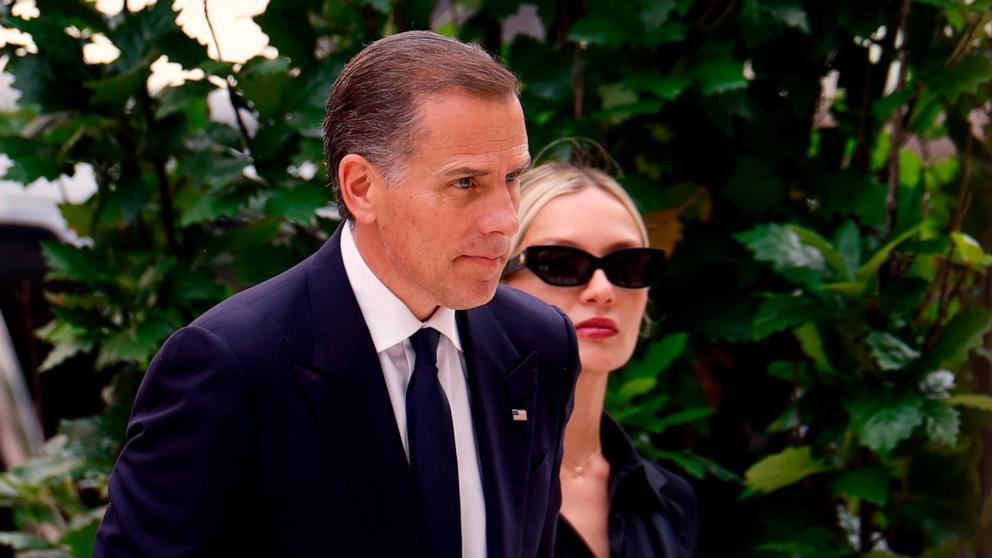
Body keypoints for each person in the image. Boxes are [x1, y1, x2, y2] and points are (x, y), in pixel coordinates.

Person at [94, 31, 580, 558]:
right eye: (465, 183)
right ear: (361, 188)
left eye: (512, 177)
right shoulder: (231, 366)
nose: (506, 220)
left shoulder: (538, 343)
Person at [502, 161, 698, 558]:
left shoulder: (670, 501)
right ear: (494, 279)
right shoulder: (448, 480)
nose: (602, 290)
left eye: (627, 265)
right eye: (560, 264)